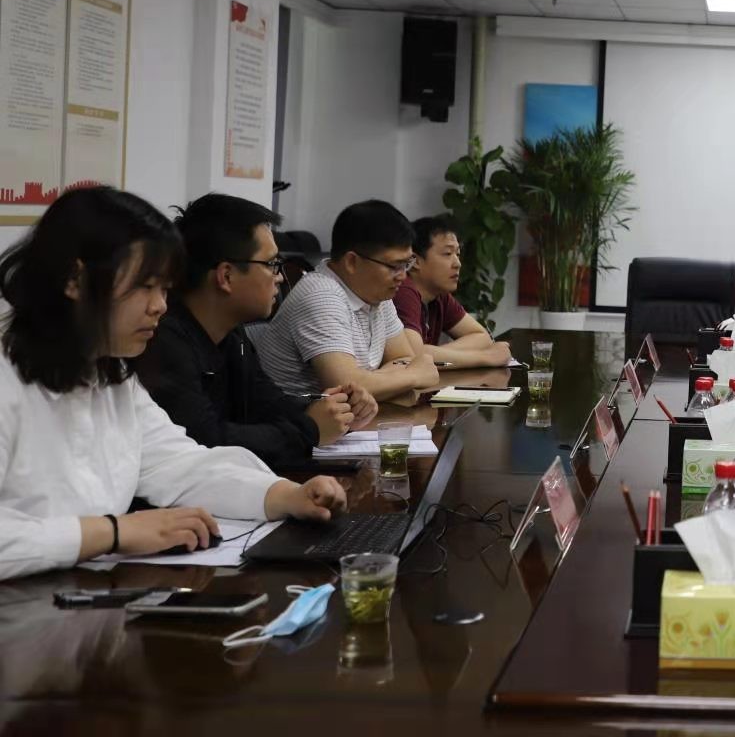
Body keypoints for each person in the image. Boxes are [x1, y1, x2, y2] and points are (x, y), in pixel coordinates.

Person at [0, 187, 346, 581]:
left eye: (164, 289)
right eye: (144, 287)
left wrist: (284, 495)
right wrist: (113, 532)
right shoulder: (8, 380)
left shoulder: (111, 373)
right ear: (74, 280)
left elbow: (178, 464)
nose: (160, 306)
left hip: (82, 594)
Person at [134, 194, 378, 467]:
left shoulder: (231, 334)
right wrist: (309, 430)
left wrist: (335, 407)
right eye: (271, 264)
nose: (280, 277)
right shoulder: (163, 340)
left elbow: (267, 402)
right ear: (226, 276)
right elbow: (205, 441)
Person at [257, 200, 439, 402]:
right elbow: (347, 387)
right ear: (352, 262)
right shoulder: (321, 296)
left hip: (354, 416)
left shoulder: (377, 292)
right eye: (394, 266)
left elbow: (402, 358)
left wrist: (372, 381)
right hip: (297, 418)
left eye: (406, 264)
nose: (403, 276)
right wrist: (414, 376)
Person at [395, 215, 511, 369]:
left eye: (458, 254)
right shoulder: (403, 290)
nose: (457, 263)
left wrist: (435, 353)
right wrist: (486, 358)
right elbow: (413, 355)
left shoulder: (439, 295)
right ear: (415, 261)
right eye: (448, 254)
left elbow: (482, 337)